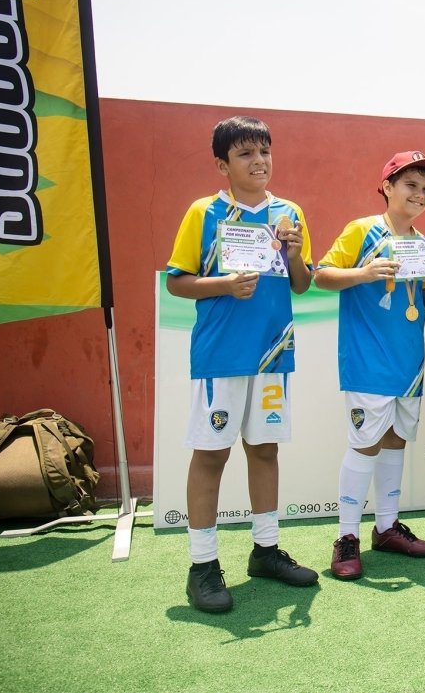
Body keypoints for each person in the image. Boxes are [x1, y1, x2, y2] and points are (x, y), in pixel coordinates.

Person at [165, 116, 317, 614]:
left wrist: (294, 253)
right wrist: (225, 285)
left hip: (273, 353)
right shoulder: (204, 212)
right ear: (222, 164)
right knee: (211, 455)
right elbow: (178, 281)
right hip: (221, 355)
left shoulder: (289, 213)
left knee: (265, 450)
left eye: (265, 152)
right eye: (246, 154)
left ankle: (266, 551)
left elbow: (300, 284)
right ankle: (202, 565)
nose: (259, 162)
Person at [316, 151, 425, 580]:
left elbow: (423, 301)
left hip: (408, 362)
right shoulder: (362, 230)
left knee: (395, 441)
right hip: (367, 360)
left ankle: (386, 527)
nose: (418, 194)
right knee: (365, 444)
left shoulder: (424, 242)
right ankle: (346, 537)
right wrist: (364, 272)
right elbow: (321, 275)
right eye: (410, 184)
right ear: (387, 187)